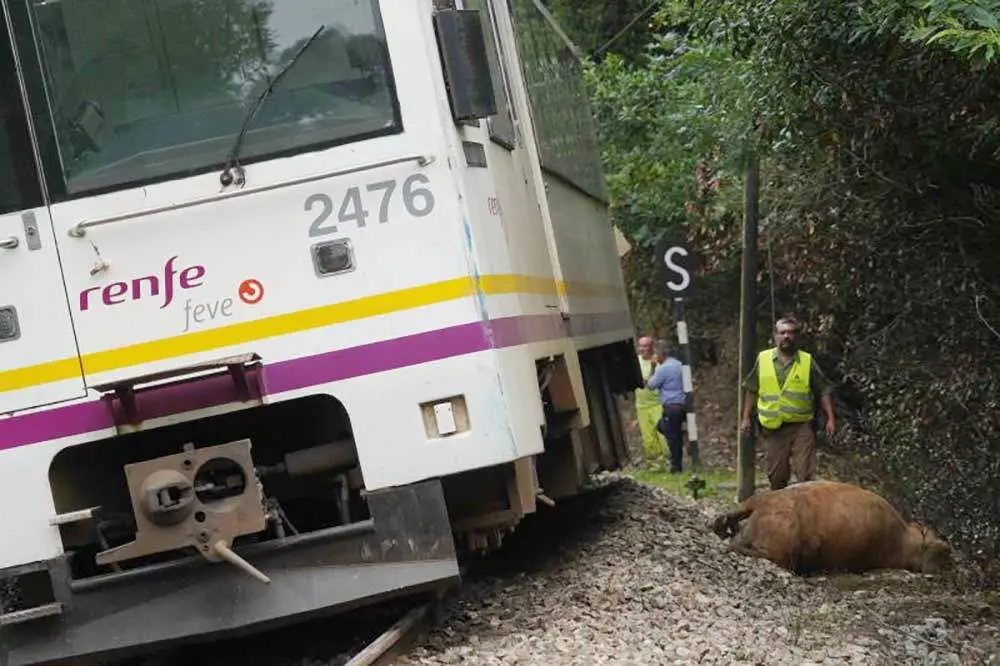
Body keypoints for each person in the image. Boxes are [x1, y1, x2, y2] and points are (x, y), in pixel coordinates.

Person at [741, 317, 836, 490]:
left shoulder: (807, 361)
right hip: (774, 427)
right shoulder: (763, 359)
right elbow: (751, 389)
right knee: (777, 476)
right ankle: (781, 511)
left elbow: (823, 390)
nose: (787, 336)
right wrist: (745, 418)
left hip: (802, 425)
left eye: (791, 333)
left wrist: (830, 418)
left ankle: (805, 512)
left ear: (797, 337)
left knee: (805, 473)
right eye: (782, 332)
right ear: (775, 336)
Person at [647, 339, 688, 473]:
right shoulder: (680, 364)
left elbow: (651, 385)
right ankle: (679, 437)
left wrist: (653, 367)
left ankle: (676, 467)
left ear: (659, 354)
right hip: (682, 405)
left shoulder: (663, 369)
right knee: (663, 427)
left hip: (671, 406)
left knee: (672, 437)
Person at [634, 335, 667, 463]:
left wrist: (653, 367)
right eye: (640, 346)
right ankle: (655, 465)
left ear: (652, 347)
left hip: (658, 404)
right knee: (648, 438)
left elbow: (651, 383)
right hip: (641, 406)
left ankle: (669, 462)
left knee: (663, 435)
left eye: (645, 346)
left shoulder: (659, 363)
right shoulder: (635, 362)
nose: (641, 349)